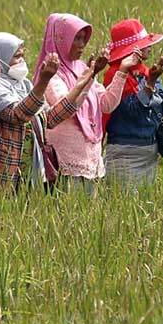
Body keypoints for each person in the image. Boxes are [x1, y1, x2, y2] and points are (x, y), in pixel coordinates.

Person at [0, 32, 97, 190]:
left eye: (22, 56)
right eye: (17, 57)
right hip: (3, 174)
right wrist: (43, 82)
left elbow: (48, 119)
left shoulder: (24, 85)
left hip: (31, 173)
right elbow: (18, 114)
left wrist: (79, 87)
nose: (21, 61)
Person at [34, 13, 141, 195]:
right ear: (61, 39)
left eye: (84, 38)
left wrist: (122, 70)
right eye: (76, 38)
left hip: (91, 160)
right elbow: (66, 108)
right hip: (64, 162)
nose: (82, 44)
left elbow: (107, 104)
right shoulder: (50, 74)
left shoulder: (82, 68)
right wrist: (90, 77)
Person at [103, 19, 163, 190]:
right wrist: (150, 82)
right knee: (125, 210)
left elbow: (162, 110)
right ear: (132, 49)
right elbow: (132, 111)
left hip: (149, 154)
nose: (150, 47)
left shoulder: (146, 72)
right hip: (125, 156)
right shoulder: (115, 76)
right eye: (144, 44)